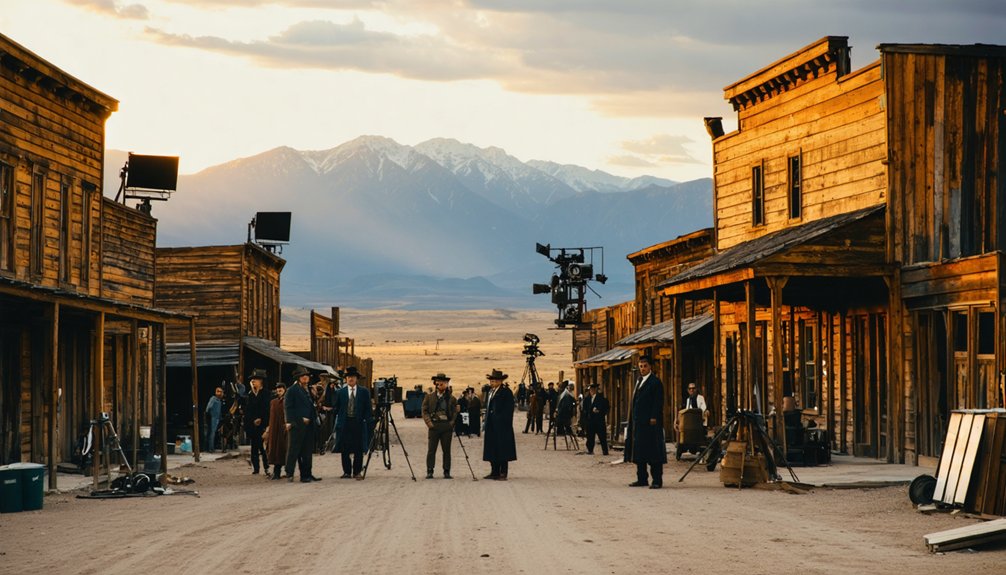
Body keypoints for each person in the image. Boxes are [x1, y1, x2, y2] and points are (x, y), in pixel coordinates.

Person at [624, 355, 666, 489]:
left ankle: (657, 480)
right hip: (639, 423)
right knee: (639, 451)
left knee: (654, 452)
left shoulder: (655, 382)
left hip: (650, 423)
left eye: (645, 366)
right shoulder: (639, 381)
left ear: (650, 367)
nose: (642, 369)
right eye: (641, 366)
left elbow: (658, 402)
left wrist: (654, 417)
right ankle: (642, 478)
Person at [333, 366, 372, 479]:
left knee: (358, 448)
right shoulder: (340, 392)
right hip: (345, 423)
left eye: (353, 377)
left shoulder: (364, 392)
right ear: (346, 379)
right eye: (349, 377)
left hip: (358, 423)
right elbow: (336, 408)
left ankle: (357, 471)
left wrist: (366, 420)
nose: (351, 379)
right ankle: (346, 471)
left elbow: (368, 408)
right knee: (345, 448)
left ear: (356, 378)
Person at [284, 366, 321, 483]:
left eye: (306, 376)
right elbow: (288, 408)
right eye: (302, 376)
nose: (305, 377)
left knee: (307, 451)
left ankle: (307, 474)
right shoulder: (292, 390)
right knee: (294, 450)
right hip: (297, 425)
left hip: (309, 424)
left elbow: (311, 405)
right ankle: (289, 473)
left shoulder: (308, 389)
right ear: (298, 378)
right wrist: (294, 421)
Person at [482, 369, 516, 480]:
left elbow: (509, 409)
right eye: (491, 381)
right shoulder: (490, 392)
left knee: (503, 449)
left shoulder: (506, 392)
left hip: (502, 426)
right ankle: (494, 471)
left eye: (495, 381)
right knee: (492, 448)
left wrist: (501, 419)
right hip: (491, 425)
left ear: (500, 381)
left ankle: (503, 472)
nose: (492, 383)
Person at [422, 373, 457, 479]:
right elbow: (424, 411)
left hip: (446, 426)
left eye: (443, 382)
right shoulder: (429, 397)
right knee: (431, 450)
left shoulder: (451, 398)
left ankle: (446, 471)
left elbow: (455, 412)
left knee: (446, 450)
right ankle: (430, 470)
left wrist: (451, 423)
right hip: (434, 426)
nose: (441, 384)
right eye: (439, 382)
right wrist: (429, 423)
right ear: (435, 383)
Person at [244, 369, 271, 475]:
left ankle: (267, 467)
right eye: (252, 380)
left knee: (263, 448)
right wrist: (252, 420)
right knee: (254, 448)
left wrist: (262, 419)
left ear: (261, 381)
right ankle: (256, 468)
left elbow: (267, 409)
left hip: (263, 425)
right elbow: (248, 410)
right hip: (253, 426)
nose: (253, 381)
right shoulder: (250, 395)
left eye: (256, 379)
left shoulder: (266, 394)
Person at [263, 382, 288, 480]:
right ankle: (276, 473)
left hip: (284, 429)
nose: (279, 390)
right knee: (274, 450)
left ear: (284, 390)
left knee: (283, 450)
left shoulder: (287, 401)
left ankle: (288, 472)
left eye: (281, 388)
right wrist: (268, 429)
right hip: (274, 430)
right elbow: (270, 416)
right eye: (278, 389)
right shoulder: (273, 402)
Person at [583, 383, 609, 455]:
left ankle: (605, 451)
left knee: (602, 436)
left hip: (599, 420)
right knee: (590, 436)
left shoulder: (601, 399)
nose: (591, 391)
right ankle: (590, 450)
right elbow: (584, 409)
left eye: (593, 389)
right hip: (590, 421)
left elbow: (606, 408)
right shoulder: (587, 399)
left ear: (595, 390)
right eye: (590, 389)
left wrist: (599, 411)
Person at [204, 387, 224, 453]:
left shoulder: (219, 401)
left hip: (216, 418)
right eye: (219, 392)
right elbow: (208, 408)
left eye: (221, 392)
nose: (221, 393)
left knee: (213, 433)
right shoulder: (213, 399)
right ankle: (210, 448)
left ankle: (210, 447)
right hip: (213, 418)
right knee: (211, 433)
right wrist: (208, 416)